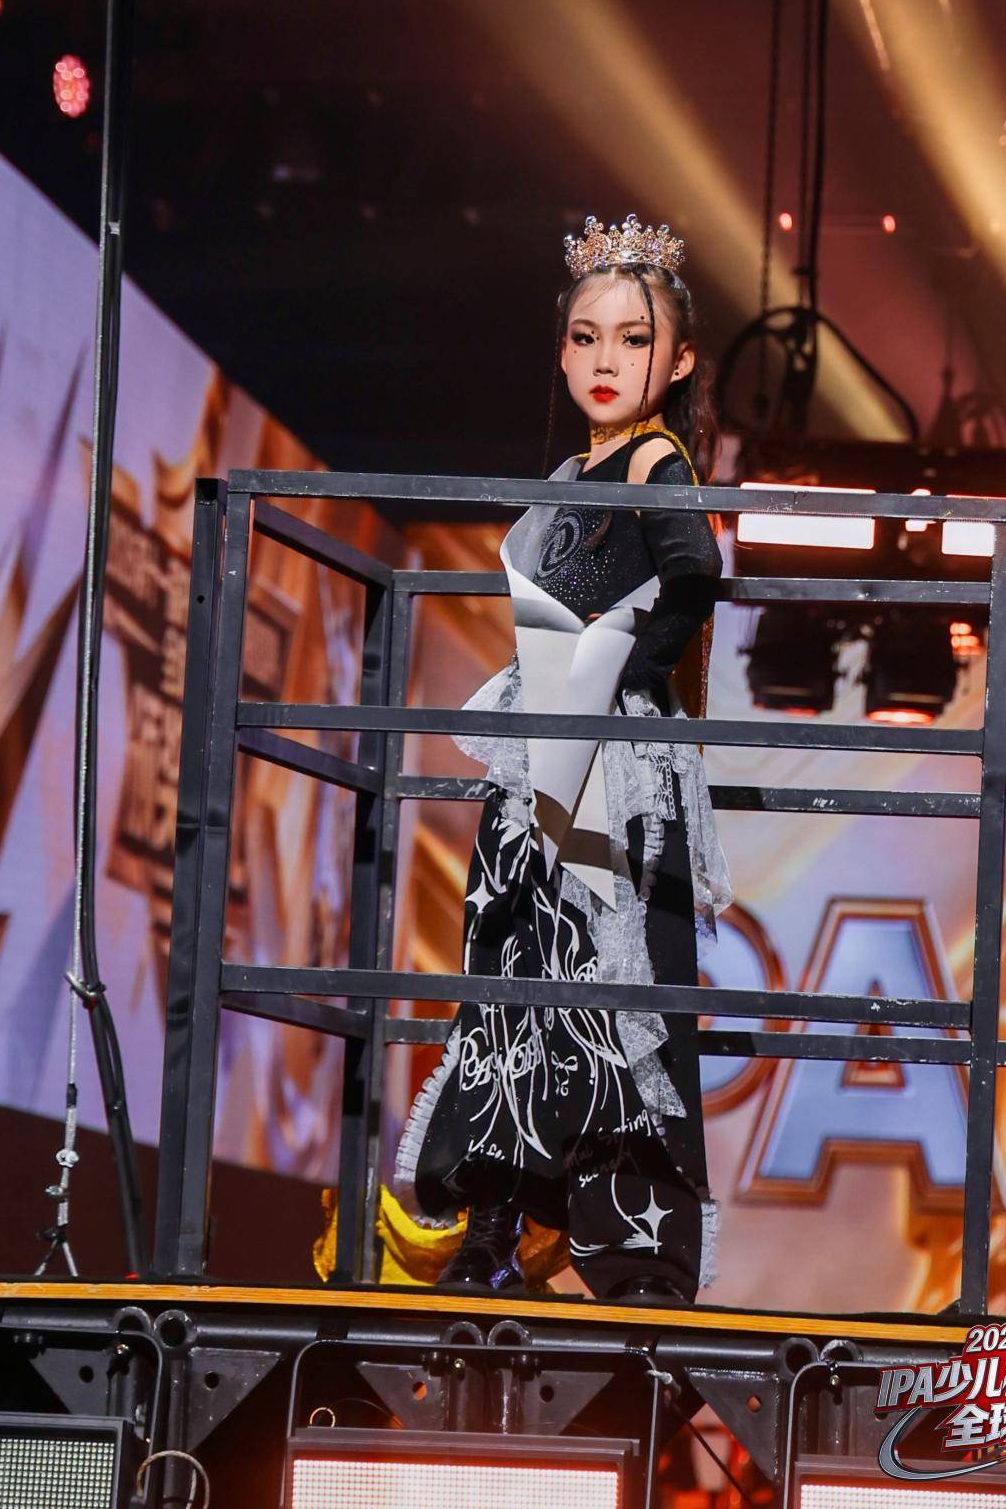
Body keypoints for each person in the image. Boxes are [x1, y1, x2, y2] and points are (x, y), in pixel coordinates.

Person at [394, 214, 731, 1305]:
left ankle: (629, 1257)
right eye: (586, 337)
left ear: (677, 360)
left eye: (632, 339)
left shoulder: (657, 461)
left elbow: (692, 573)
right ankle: (500, 1222)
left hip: (609, 761)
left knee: (607, 988)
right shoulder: (572, 471)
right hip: (545, 745)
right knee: (518, 976)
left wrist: (621, 674)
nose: (604, 359)